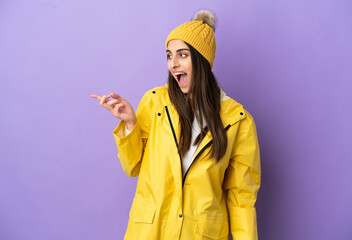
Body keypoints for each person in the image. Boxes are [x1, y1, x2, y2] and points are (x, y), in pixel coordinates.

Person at [91, 9, 261, 240]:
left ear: (201, 60)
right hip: (150, 232)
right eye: (169, 55)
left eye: (182, 55)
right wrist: (130, 123)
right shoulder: (154, 102)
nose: (173, 64)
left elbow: (241, 197)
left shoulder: (238, 120)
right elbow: (132, 167)